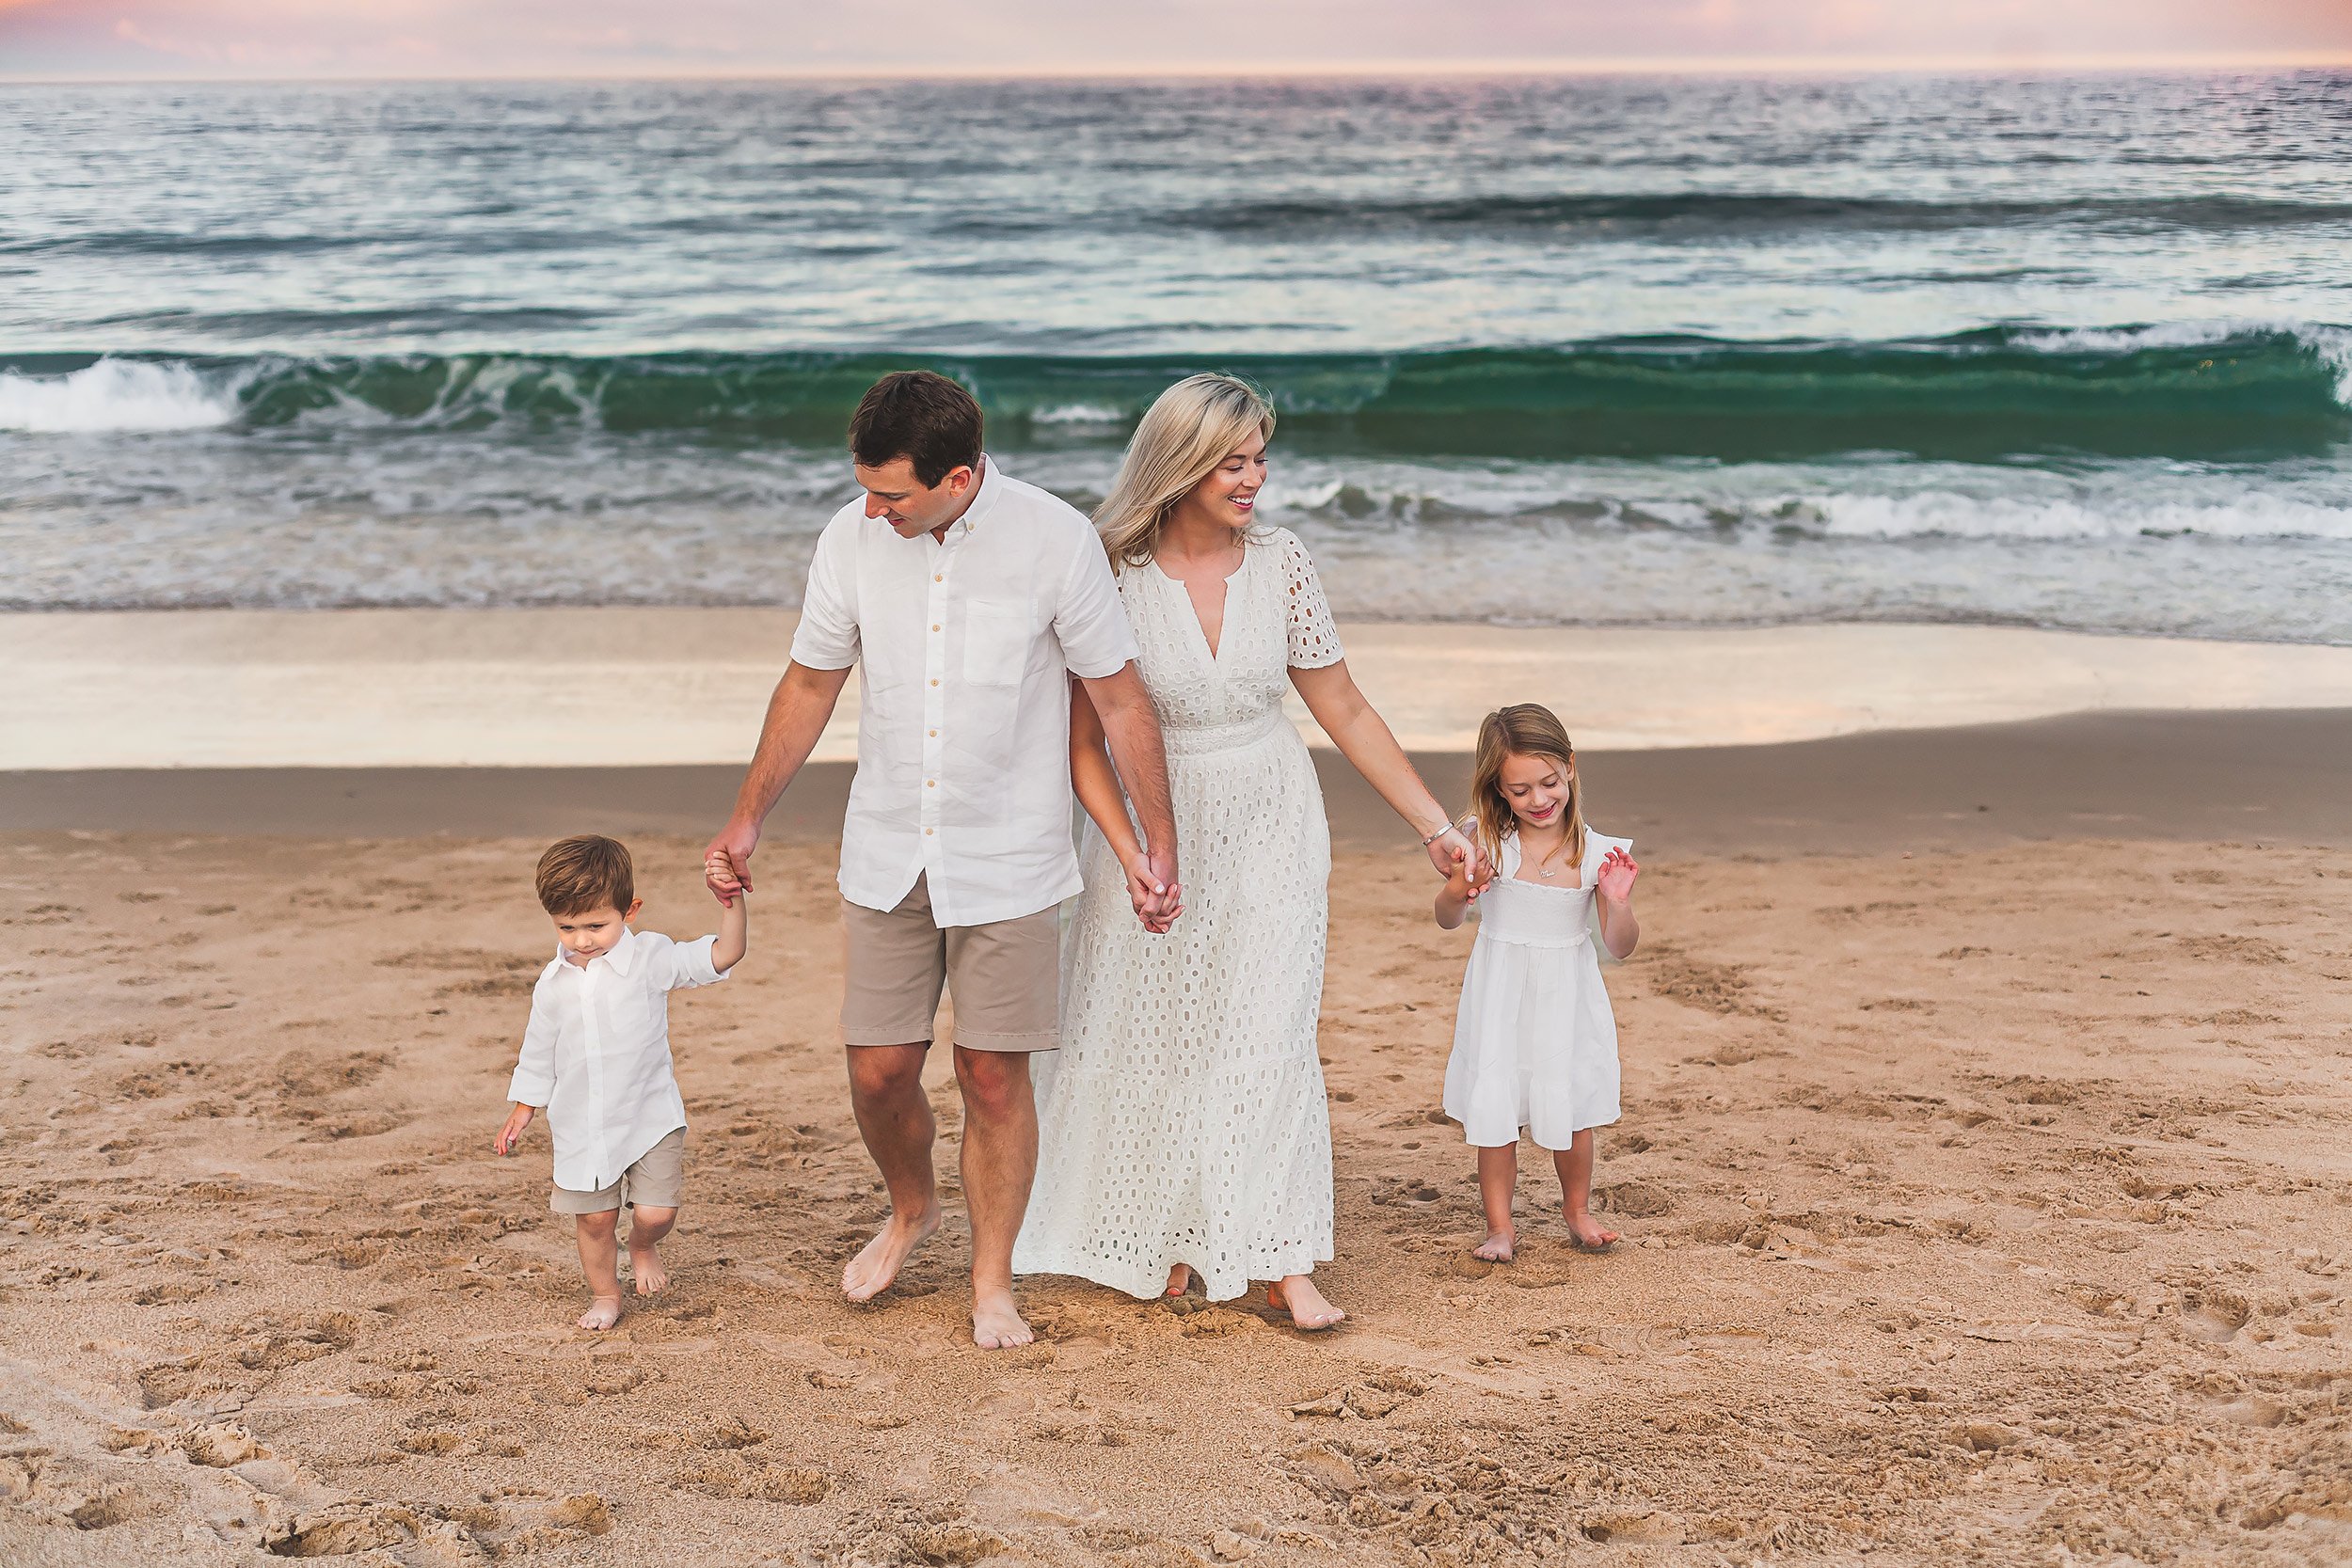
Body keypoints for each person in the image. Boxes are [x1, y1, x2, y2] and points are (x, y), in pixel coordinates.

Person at [703, 371, 1176, 1351]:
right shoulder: (849, 536)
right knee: (879, 1070)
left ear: (957, 477)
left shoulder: (1055, 539)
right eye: (867, 488)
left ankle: (991, 1276)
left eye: (893, 495)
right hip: (885, 846)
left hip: (1010, 854)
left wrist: (1154, 840)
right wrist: (746, 818)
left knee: (993, 1076)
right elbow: (809, 682)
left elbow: (1121, 699)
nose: (872, 510)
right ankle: (911, 1205)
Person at [1016, 373, 1486, 1331]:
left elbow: (1342, 705)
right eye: (1233, 460)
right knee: (1152, 1027)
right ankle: (1170, 1238)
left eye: (1260, 457)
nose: (1254, 478)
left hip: (1271, 813)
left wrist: (1435, 826)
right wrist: (1138, 849)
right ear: (1180, 462)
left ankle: (1277, 1257)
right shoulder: (1110, 573)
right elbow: (1080, 743)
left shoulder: (1285, 564)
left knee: (1265, 1032)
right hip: (1144, 832)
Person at [494, 835, 747, 1330]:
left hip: (650, 1115)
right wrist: (524, 1108)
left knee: (654, 1212)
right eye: (567, 927)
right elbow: (539, 1046)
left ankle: (644, 1245)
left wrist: (731, 902)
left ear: (630, 911)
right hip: (581, 1124)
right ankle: (606, 1294)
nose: (582, 939)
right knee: (594, 1220)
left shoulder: (652, 958)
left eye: (595, 925)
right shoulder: (552, 983)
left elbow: (725, 954)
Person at [1434, 704, 1640, 1261]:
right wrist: (1459, 887)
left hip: (1566, 996)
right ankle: (1500, 1226)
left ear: (1570, 768)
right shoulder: (1487, 845)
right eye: (1520, 790)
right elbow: (1448, 918)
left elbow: (1620, 945)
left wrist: (1616, 902)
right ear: (1498, 790)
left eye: (1549, 782)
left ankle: (1577, 1209)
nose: (1539, 799)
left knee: (1571, 1110)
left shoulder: (1598, 853)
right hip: (1500, 990)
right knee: (1496, 1109)